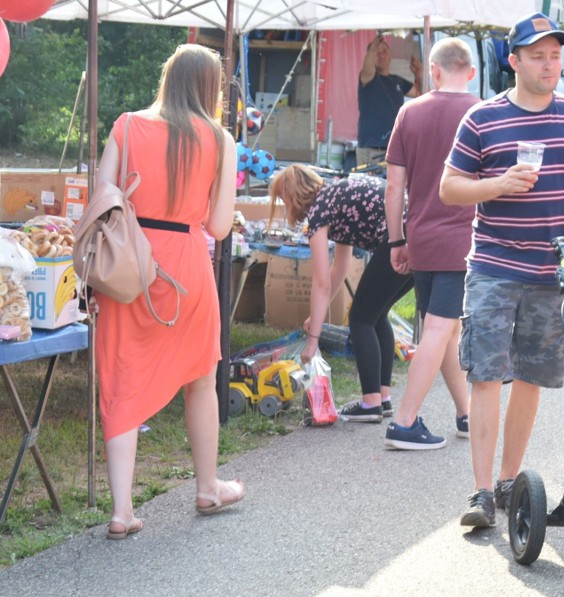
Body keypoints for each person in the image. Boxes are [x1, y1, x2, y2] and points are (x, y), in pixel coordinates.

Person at [439, 12, 564, 528]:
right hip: (493, 267)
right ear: (514, 60)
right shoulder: (482, 118)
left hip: (552, 272)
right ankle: (480, 493)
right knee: (485, 376)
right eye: (539, 55)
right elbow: (449, 187)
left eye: (555, 54)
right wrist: (496, 185)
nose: (550, 63)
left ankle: (508, 480)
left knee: (530, 378)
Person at [90, 44, 242, 539]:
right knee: (201, 375)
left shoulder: (127, 125)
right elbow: (219, 227)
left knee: (121, 375)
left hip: (127, 265)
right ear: (211, 88)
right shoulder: (219, 139)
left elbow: (102, 195)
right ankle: (206, 487)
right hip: (186, 266)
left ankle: (121, 511)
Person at [268, 167, 428, 437]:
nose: (284, 207)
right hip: (419, 234)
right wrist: (315, 318)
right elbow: (338, 271)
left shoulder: (320, 212)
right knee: (376, 313)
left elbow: (320, 281)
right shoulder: (335, 196)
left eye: (282, 200)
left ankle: (370, 403)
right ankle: (382, 397)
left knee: (361, 318)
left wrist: (312, 341)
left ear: (292, 195)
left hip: (398, 238)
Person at [382, 38, 479, 451]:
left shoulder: (410, 111)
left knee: (445, 332)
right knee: (440, 329)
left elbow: (393, 186)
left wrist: (396, 239)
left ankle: (467, 415)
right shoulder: (482, 113)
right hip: (463, 238)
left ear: (434, 71)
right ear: (471, 72)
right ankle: (404, 422)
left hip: (420, 236)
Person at [356, 34, 423, 167]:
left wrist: (418, 74)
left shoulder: (397, 80)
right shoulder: (368, 78)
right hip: (370, 148)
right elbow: (368, 68)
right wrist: (372, 48)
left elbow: (421, 95)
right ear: (371, 56)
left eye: (385, 51)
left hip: (393, 148)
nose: (381, 55)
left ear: (390, 54)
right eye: (377, 52)